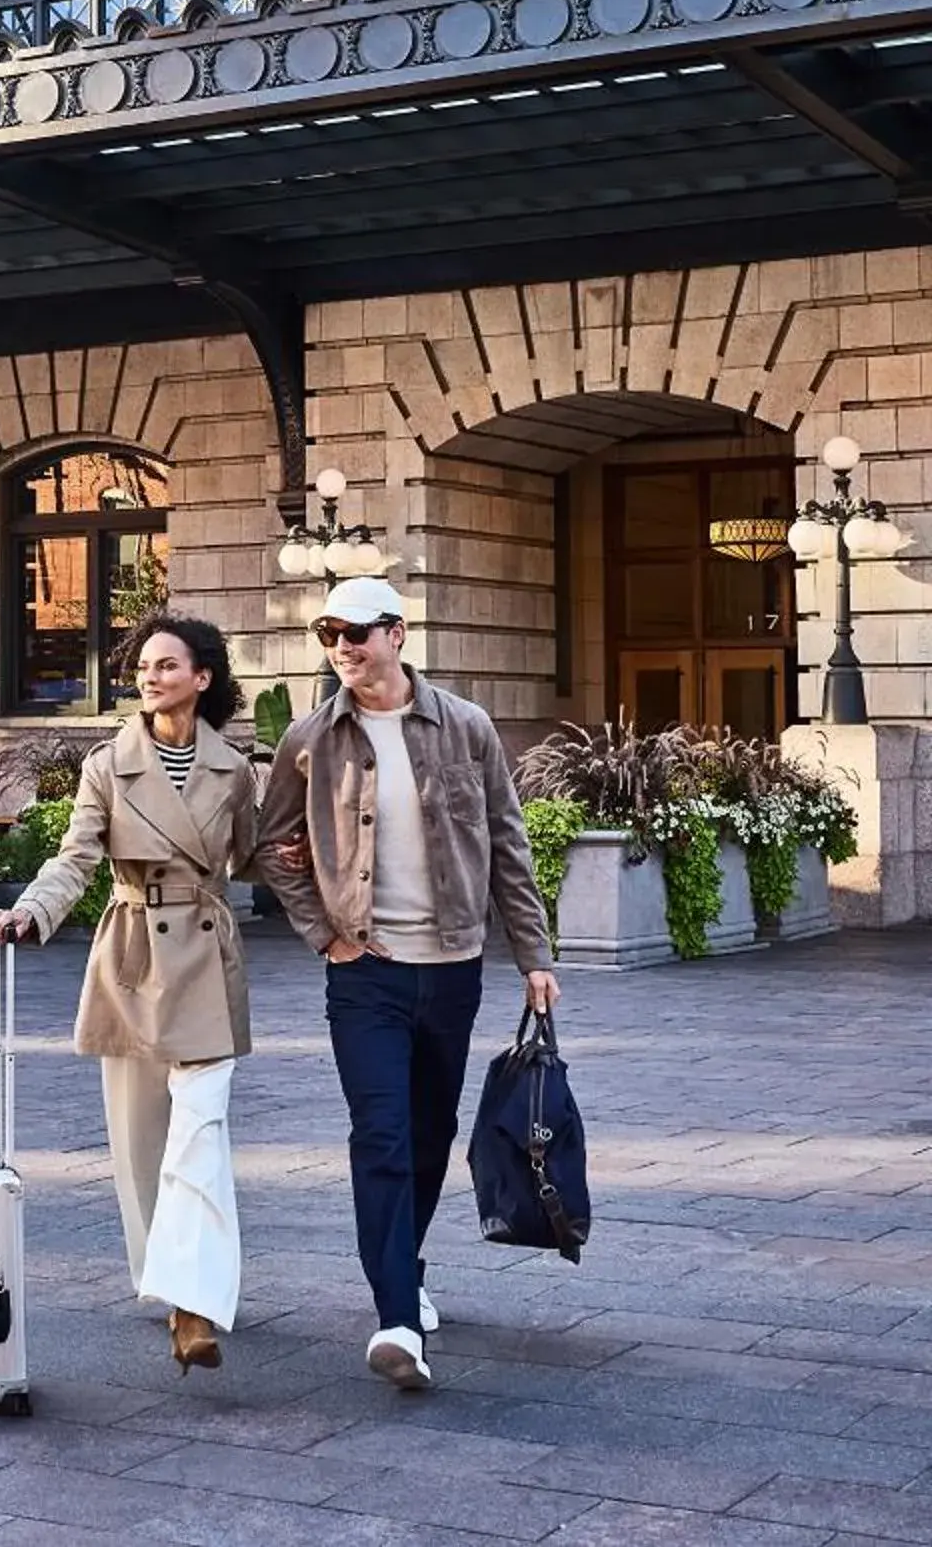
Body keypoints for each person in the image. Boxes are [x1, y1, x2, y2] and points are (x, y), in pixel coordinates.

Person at [258, 574, 560, 1394]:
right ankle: (395, 1315)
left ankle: (406, 1264)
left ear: (397, 633)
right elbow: (271, 843)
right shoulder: (310, 740)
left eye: (358, 632)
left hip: (452, 968)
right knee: (381, 1135)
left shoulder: (465, 727)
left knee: (430, 1137)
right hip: (366, 976)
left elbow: (508, 842)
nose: (344, 648)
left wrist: (534, 954)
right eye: (330, 635)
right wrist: (323, 932)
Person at [0, 612, 277, 1376]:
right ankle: (173, 1283)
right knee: (142, 1146)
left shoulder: (235, 769)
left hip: (207, 959)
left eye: (167, 665)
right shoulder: (107, 765)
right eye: (143, 666)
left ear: (203, 678)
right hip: (133, 955)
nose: (150, 677)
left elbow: (251, 858)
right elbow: (75, 857)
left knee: (200, 1135)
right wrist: (33, 911)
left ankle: (195, 1304)